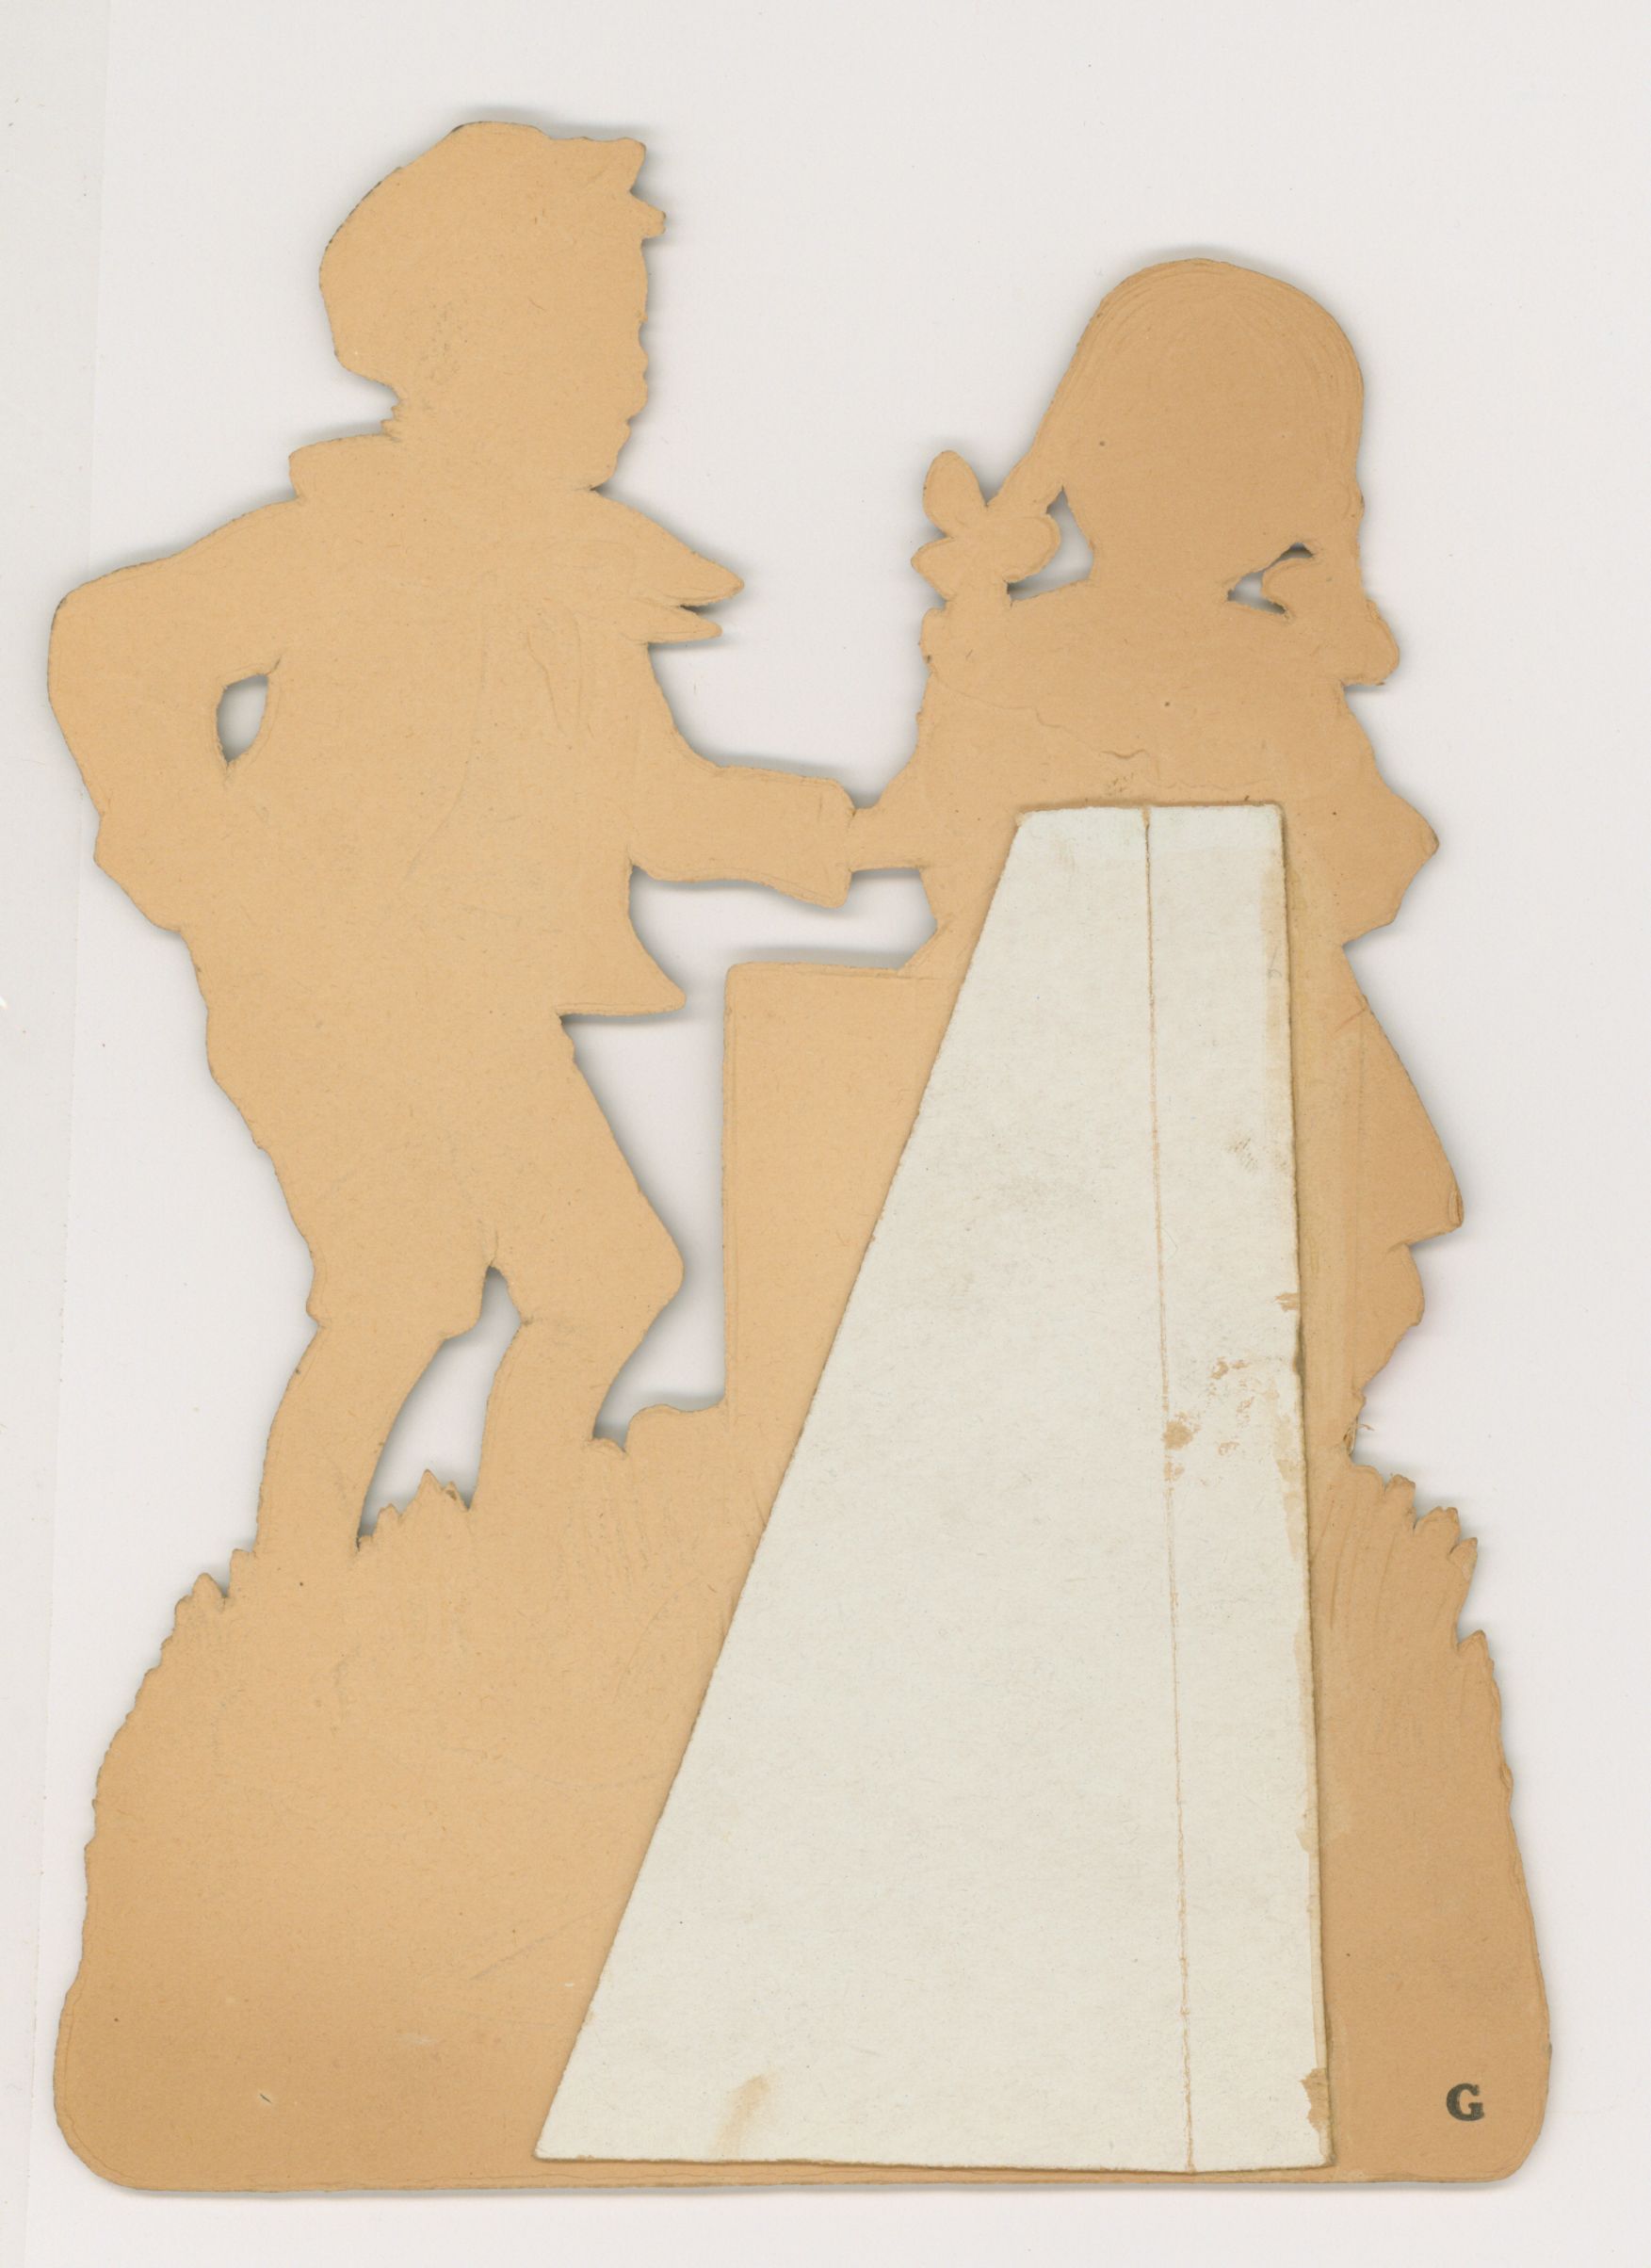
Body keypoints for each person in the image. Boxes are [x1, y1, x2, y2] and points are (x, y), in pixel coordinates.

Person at [49, 123, 853, 1576]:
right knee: (418, 1285)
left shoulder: (577, 585)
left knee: (592, 1277)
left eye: (632, 340)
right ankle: (317, 1592)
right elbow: (112, 647)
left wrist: (862, 833)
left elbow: (662, 808)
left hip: (467, 998)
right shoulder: (345, 541)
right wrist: (208, 867)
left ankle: (510, 1560)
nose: (630, 381)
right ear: (446, 352)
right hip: (328, 988)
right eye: (586, 343)